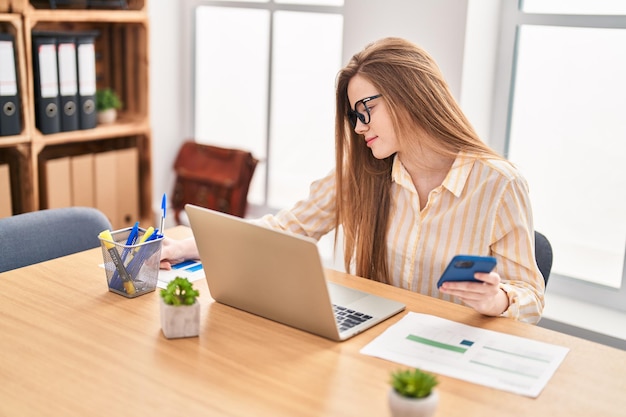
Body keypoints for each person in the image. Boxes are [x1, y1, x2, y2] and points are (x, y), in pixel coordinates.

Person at [160, 37, 545, 324]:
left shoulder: (499, 184)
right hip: (372, 339)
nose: (359, 128)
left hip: (448, 350)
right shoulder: (360, 174)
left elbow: (531, 296)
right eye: (354, 117)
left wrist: (498, 300)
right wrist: (186, 247)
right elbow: (285, 230)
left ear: (410, 96)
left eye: (366, 111)